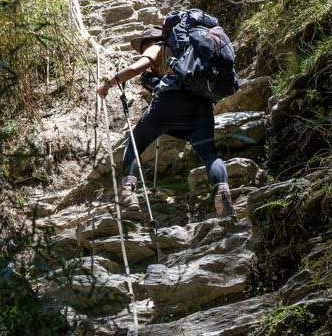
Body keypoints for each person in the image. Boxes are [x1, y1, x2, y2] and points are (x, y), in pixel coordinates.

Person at [96, 24, 237, 219]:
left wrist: (109, 83)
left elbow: (136, 68)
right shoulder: (190, 50)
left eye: (142, 47)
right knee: (209, 154)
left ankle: (128, 194)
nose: (142, 51)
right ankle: (222, 192)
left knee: (134, 145)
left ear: (150, 42)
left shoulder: (158, 47)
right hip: (201, 106)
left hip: (171, 101)